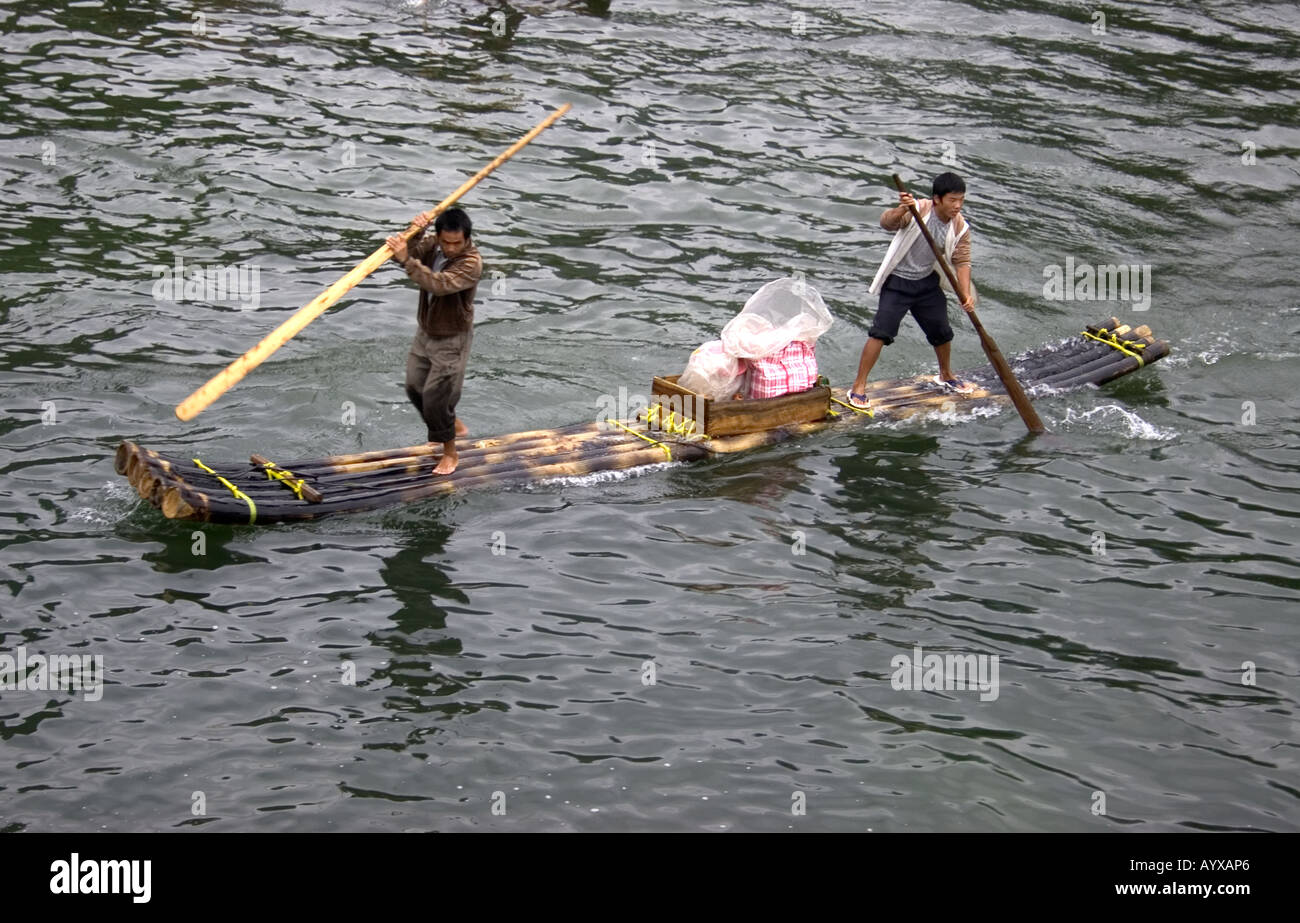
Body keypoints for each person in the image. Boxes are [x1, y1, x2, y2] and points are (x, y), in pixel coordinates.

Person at [848, 172, 976, 409]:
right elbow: (886, 223)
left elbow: (962, 261)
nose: (957, 206)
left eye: (961, 200)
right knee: (881, 333)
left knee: (942, 332)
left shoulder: (960, 226)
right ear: (937, 199)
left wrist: (965, 293)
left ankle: (946, 375)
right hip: (898, 283)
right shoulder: (918, 209)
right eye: (952, 200)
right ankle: (858, 386)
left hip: (926, 283)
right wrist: (901, 210)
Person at [386, 207, 483, 475]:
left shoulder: (471, 262)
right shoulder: (434, 244)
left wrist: (407, 261)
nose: (451, 248)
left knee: (436, 398)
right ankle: (454, 426)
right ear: (439, 237)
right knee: (414, 387)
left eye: (457, 243)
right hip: (425, 332)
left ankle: (450, 453)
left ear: (466, 240)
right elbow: (409, 255)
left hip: (452, 338)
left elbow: (438, 284)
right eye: (446, 242)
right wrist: (415, 233)